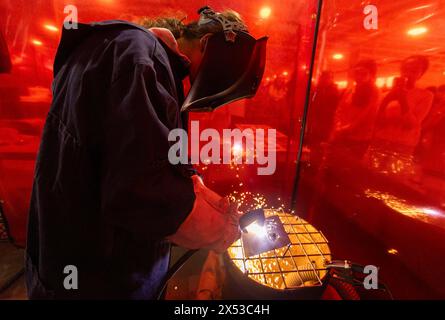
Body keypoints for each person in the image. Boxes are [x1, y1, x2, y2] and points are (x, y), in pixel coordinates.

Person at [25, 8, 247, 300]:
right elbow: (143, 191)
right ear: (206, 43)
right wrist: (220, 231)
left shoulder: (126, 49)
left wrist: (199, 189)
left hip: (69, 254)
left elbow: (141, 152)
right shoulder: (142, 59)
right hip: (100, 277)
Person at [330, 60, 379, 158]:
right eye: (357, 73)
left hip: (359, 138)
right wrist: (338, 125)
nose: (359, 76)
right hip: (342, 134)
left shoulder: (374, 92)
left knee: (350, 165)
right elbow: (339, 109)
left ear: (371, 75)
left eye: (363, 74)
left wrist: (348, 128)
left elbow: (367, 115)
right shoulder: (350, 90)